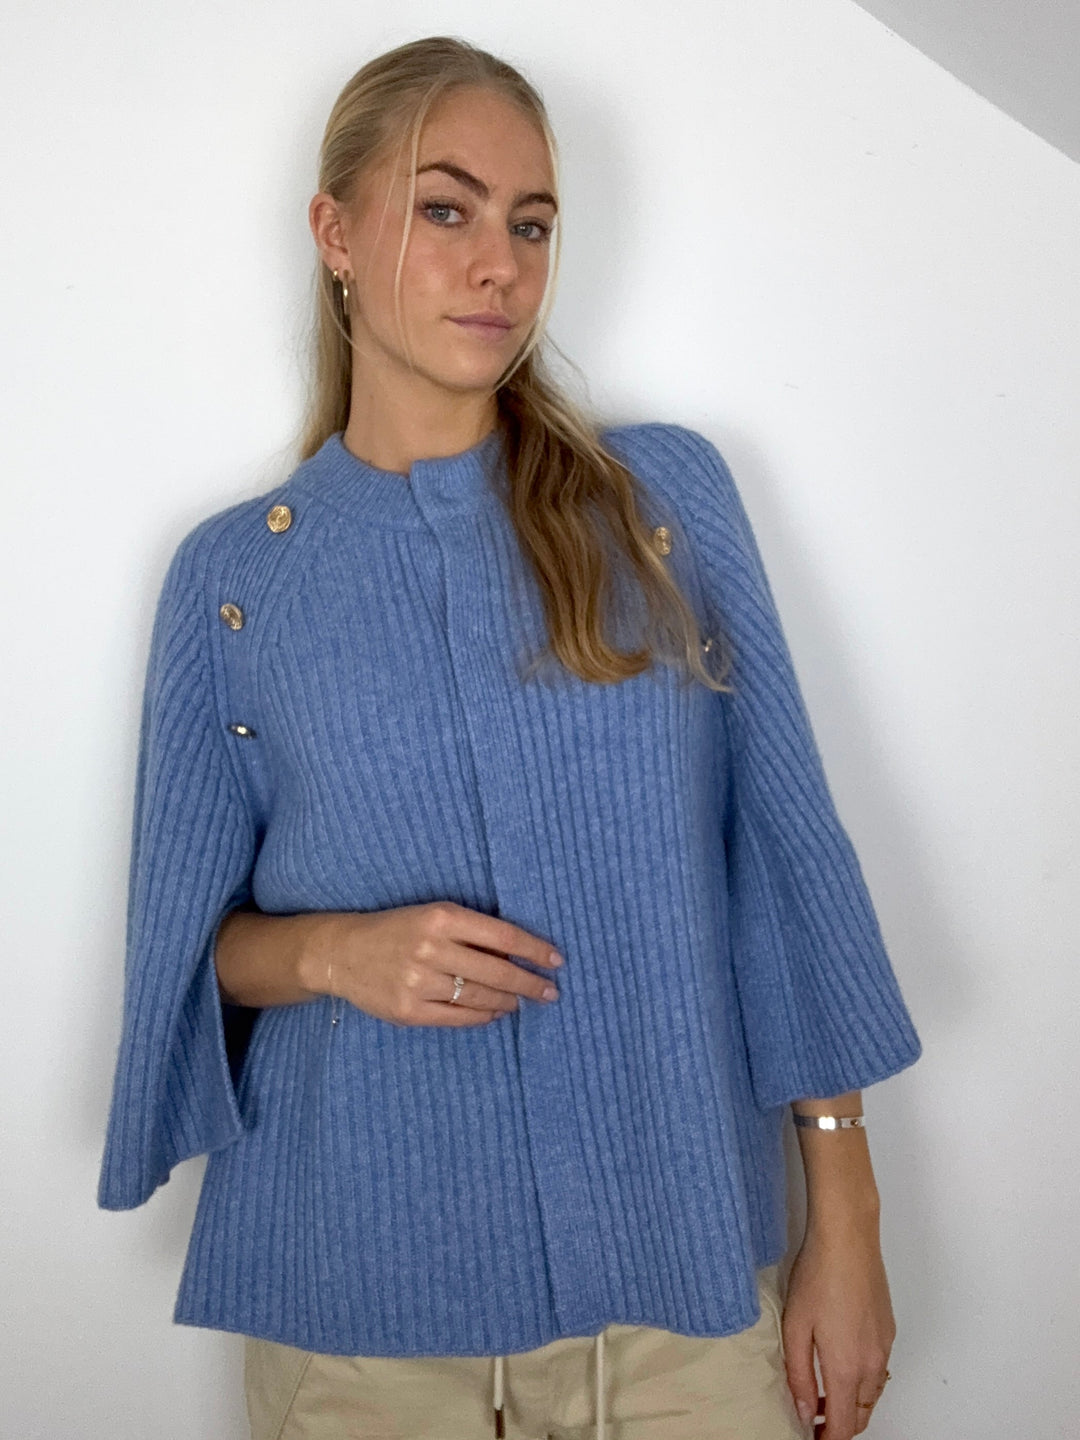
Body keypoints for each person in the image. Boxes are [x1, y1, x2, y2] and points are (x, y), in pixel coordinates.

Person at [97, 34, 922, 1440]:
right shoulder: (237, 579)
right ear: (335, 233)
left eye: (531, 224)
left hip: (678, 1307)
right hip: (356, 1324)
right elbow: (188, 958)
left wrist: (847, 1224)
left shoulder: (660, 506)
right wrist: (334, 952)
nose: (500, 266)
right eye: (448, 209)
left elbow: (783, 867)